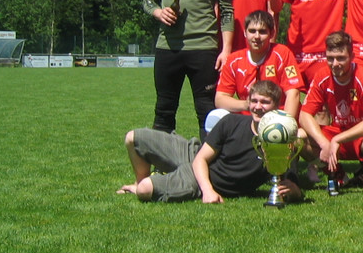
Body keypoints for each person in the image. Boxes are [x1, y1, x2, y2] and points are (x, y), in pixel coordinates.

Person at [117, 80, 302, 203]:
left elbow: (292, 186)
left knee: (144, 190)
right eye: (254, 101)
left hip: (200, 178)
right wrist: (208, 192)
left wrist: (294, 191)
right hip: (195, 155)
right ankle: (138, 181)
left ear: (276, 106)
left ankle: (143, 185)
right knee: (133, 138)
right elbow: (201, 159)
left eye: (265, 102)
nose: (258, 107)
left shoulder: (280, 142)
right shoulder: (231, 121)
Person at [142, 0, 234, 141]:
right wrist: (158, 12)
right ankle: (162, 159)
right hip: (168, 48)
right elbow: (148, 0)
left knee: (207, 111)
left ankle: (209, 160)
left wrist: (226, 50)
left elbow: (227, 12)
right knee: (164, 109)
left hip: (203, 48)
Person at [299, 31, 363, 197]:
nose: (335, 64)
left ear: (352, 57)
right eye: (330, 58)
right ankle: (338, 175)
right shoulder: (322, 76)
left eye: (341, 58)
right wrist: (323, 143)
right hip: (338, 135)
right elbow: (304, 115)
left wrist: (337, 139)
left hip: (360, 137)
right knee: (299, 137)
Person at [214, 10, 303, 120]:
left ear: (272, 33)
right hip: (247, 119)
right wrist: (249, 104)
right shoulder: (234, 60)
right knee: (216, 116)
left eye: (262, 32)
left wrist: (285, 123)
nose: (257, 36)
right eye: (252, 31)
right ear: (245, 33)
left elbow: (293, 93)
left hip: (277, 117)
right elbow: (220, 99)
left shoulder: (282, 53)